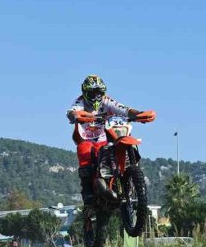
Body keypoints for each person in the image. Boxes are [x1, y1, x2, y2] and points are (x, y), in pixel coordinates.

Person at [66, 75, 155, 206]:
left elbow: (123, 109)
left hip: (105, 136)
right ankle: (88, 192)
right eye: (92, 93)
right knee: (84, 150)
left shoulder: (107, 101)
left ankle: (130, 175)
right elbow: (71, 112)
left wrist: (138, 114)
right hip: (87, 138)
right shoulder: (79, 103)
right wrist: (75, 116)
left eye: (99, 93)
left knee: (121, 141)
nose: (96, 96)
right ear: (85, 93)